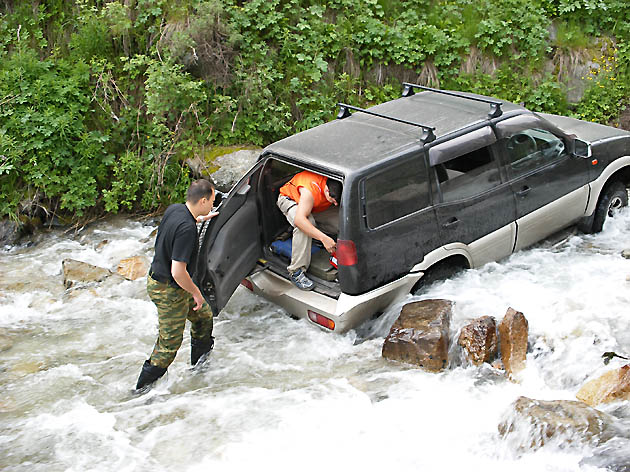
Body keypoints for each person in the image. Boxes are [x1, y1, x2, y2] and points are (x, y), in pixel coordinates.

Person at [135, 179, 219, 391]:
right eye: (212, 201)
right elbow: (178, 271)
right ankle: (140, 391)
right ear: (202, 200)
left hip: (164, 281)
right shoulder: (187, 230)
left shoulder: (176, 210)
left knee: (203, 317)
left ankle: (199, 369)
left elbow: (177, 232)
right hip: (168, 289)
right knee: (168, 346)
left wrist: (202, 219)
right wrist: (197, 293)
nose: (213, 205)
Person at [276, 170, 342, 290]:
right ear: (326, 190)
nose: (336, 204)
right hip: (290, 200)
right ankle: (296, 272)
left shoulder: (335, 183)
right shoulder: (310, 189)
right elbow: (300, 220)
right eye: (333, 200)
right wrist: (324, 239)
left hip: (314, 207)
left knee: (344, 220)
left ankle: (318, 238)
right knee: (305, 225)